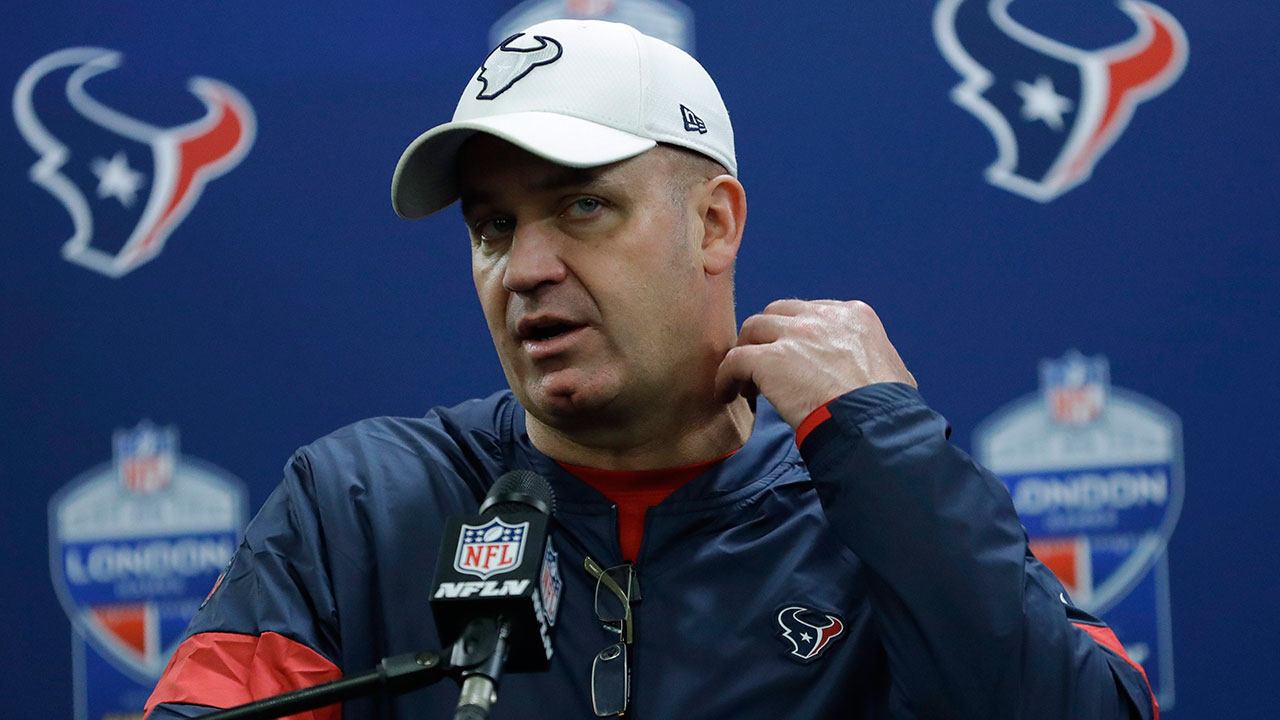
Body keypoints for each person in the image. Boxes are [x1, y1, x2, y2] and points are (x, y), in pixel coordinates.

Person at [145, 19, 1159, 720]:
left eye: (581, 206)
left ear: (711, 223)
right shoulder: (362, 505)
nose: (525, 270)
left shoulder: (869, 502)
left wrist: (888, 445)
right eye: (492, 227)